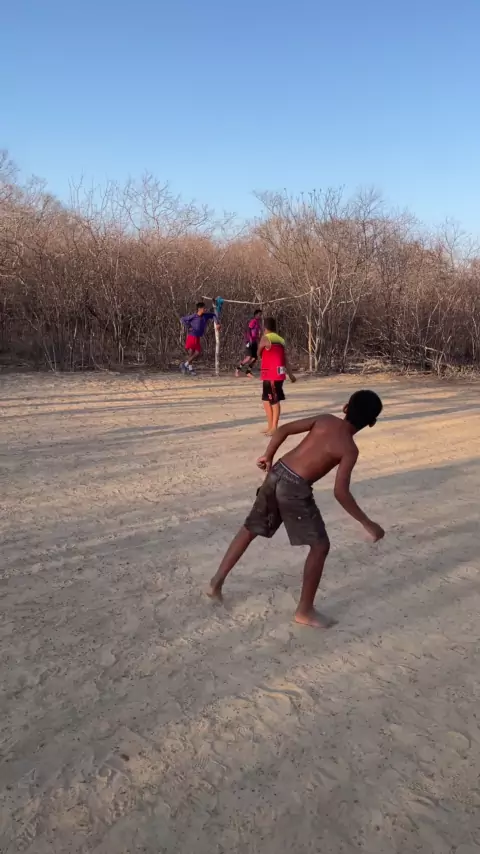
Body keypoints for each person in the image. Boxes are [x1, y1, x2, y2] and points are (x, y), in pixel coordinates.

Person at [208, 390, 385, 629]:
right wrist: (367, 522)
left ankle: (216, 582)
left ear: (345, 407)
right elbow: (340, 492)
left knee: (249, 529)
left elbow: (283, 429)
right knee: (320, 546)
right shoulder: (349, 449)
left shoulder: (324, 419)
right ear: (371, 423)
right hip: (294, 487)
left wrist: (268, 455)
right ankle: (304, 610)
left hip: (277, 472)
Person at [259, 317, 296, 435]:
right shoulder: (281, 340)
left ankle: (274, 427)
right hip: (277, 373)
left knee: (274, 400)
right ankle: (270, 426)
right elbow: (285, 358)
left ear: (265, 328)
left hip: (271, 374)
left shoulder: (266, 338)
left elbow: (259, 353)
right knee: (266, 400)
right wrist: (290, 374)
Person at [180, 302, 218, 374]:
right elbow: (182, 319)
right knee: (192, 352)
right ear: (199, 309)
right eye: (204, 308)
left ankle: (185, 365)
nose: (205, 309)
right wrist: (188, 326)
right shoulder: (194, 316)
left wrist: (217, 323)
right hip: (192, 336)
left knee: (197, 352)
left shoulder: (205, 316)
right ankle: (190, 369)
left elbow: (213, 315)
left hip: (197, 337)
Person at [235, 309, 263, 378]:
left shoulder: (258, 323)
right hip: (249, 342)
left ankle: (248, 372)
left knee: (254, 358)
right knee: (248, 357)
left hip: (254, 342)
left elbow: (257, 334)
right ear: (255, 315)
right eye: (259, 314)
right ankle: (237, 369)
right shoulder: (253, 321)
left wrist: (259, 339)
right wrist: (250, 339)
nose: (260, 316)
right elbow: (248, 329)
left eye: (261, 315)